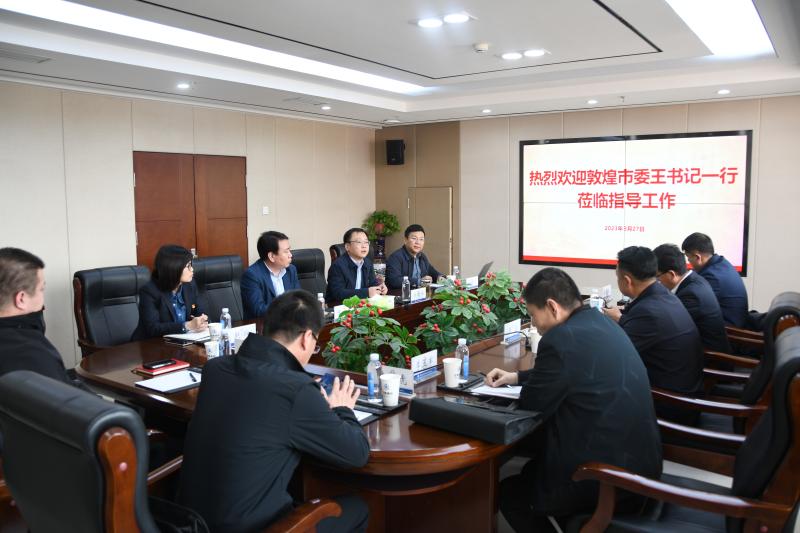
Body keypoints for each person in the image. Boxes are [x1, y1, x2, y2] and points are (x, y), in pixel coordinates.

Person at [484, 268, 661, 532]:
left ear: (552, 307)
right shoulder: (600, 322)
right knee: (531, 469)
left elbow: (533, 405)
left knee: (512, 493)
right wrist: (517, 377)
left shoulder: (560, 339)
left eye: (533, 315)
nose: (534, 325)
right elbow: (575, 369)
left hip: (604, 478)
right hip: (639, 465)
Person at [179, 290, 369, 532]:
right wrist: (342, 408)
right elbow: (356, 453)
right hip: (251, 528)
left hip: (190, 523)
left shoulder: (215, 369)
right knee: (358, 509)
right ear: (306, 338)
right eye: (315, 343)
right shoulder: (296, 389)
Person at [603, 246, 703, 422]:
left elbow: (612, 355)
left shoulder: (648, 312)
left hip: (670, 404)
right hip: (684, 390)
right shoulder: (663, 295)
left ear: (626, 280)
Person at [0, 247, 87, 388]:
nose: (42, 298)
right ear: (21, 299)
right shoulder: (32, 353)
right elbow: (64, 397)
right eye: (41, 289)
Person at [654, 243, 731, 354]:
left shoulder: (691, 295)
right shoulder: (694, 279)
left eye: (657, 277)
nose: (656, 282)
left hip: (709, 357)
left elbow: (667, 327)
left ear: (671, 274)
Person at [132, 244, 207, 340]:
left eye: (191, 265)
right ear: (174, 268)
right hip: (151, 345)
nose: (192, 269)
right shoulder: (149, 292)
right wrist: (187, 325)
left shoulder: (190, 285)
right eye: (188, 266)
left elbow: (199, 310)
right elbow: (153, 328)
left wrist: (202, 320)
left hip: (182, 342)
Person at [681, 232, 750, 328]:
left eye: (688, 258)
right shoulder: (721, 263)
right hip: (736, 320)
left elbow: (693, 306)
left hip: (730, 330)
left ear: (697, 257)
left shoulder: (711, 277)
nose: (689, 262)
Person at [241, 230, 300, 319]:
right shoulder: (252, 275)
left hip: (289, 322)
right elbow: (258, 310)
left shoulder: (291, 270)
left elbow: (298, 298)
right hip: (264, 324)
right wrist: (287, 309)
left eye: (289, 250)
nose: (290, 255)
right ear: (272, 256)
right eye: (286, 252)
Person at [325, 227, 387, 301]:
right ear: (347, 247)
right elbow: (338, 293)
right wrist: (367, 292)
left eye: (366, 242)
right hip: (338, 305)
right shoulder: (337, 266)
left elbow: (373, 284)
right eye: (359, 242)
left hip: (360, 304)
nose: (364, 246)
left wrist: (380, 288)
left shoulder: (367, 263)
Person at [385, 224, 441, 289]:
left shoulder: (422, 256)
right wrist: (419, 281)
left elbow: (433, 272)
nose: (418, 242)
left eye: (421, 239)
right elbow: (394, 280)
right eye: (414, 238)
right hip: (403, 293)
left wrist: (442, 277)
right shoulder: (395, 257)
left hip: (420, 293)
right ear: (405, 240)